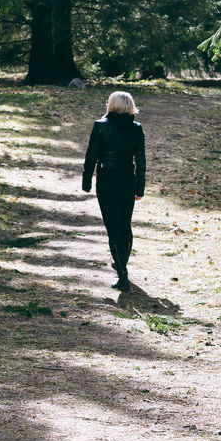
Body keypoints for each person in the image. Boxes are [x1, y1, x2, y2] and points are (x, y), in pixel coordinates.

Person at [82, 90, 145, 292]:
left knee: (113, 228)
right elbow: (141, 161)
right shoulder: (136, 128)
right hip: (127, 178)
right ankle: (121, 265)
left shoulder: (101, 126)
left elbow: (91, 155)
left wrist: (86, 181)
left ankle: (122, 274)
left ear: (111, 105)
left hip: (107, 179)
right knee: (125, 225)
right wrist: (140, 187)